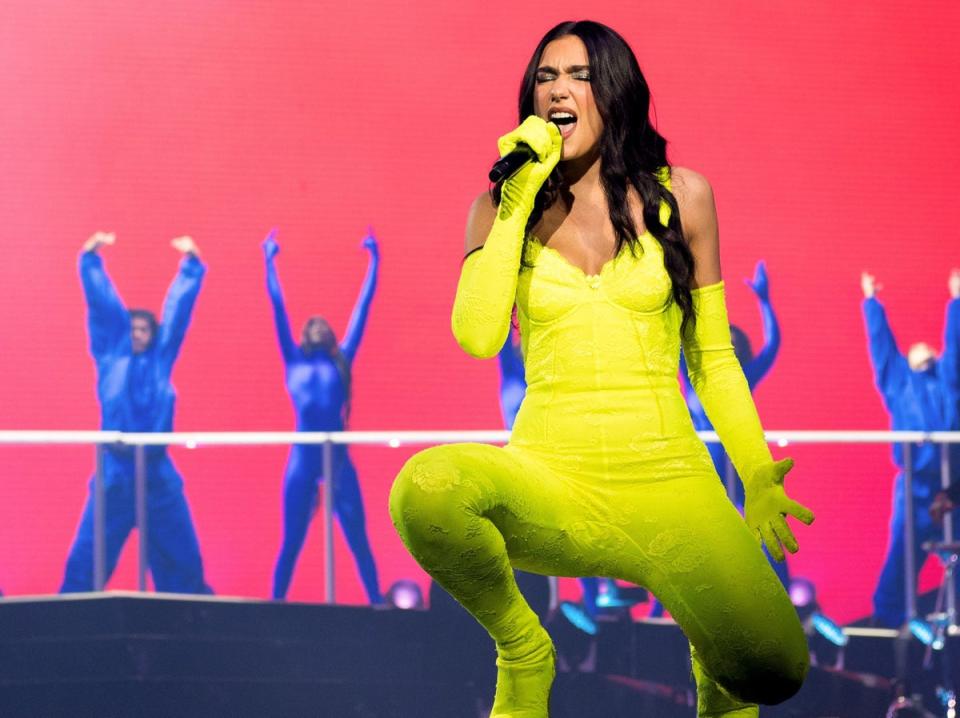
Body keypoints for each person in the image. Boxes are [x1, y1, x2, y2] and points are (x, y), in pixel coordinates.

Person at [389, 20, 814, 718]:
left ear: (614, 92)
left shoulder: (686, 196)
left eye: (578, 75)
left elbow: (713, 359)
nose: (558, 89)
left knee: (770, 670)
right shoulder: (499, 210)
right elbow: (476, 335)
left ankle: (713, 678)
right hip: (552, 479)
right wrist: (517, 200)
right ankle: (525, 650)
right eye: (546, 77)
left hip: (671, 485)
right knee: (423, 491)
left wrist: (758, 471)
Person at [61, 232, 211, 594]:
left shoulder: (161, 360)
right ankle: (66, 625)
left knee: (183, 563)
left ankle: (195, 627)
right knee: (87, 561)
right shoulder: (110, 356)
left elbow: (177, 315)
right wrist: (90, 259)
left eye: (145, 329)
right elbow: (103, 308)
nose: (138, 334)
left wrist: (191, 265)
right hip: (116, 473)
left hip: (156, 475)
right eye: (132, 329)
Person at [263, 229, 383, 604]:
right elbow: (277, 308)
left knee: (357, 535)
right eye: (310, 324)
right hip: (303, 456)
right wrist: (268, 261)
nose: (316, 325)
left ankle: (377, 602)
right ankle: (275, 605)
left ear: (330, 334)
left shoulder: (342, 359)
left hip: (337, 457)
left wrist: (374, 262)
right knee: (292, 537)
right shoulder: (292, 358)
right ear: (302, 335)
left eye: (322, 324)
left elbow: (362, 310)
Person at [864, 269, 960, 628]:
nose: (922, 345)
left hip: (952, 489)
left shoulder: (948, 384)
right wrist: (872, 302)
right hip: (915, 488)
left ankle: (954, 628)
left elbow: (956, 348)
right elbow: (882, 348)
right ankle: (888, 624)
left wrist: (956, 301)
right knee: (902, 559)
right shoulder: (898, 382)